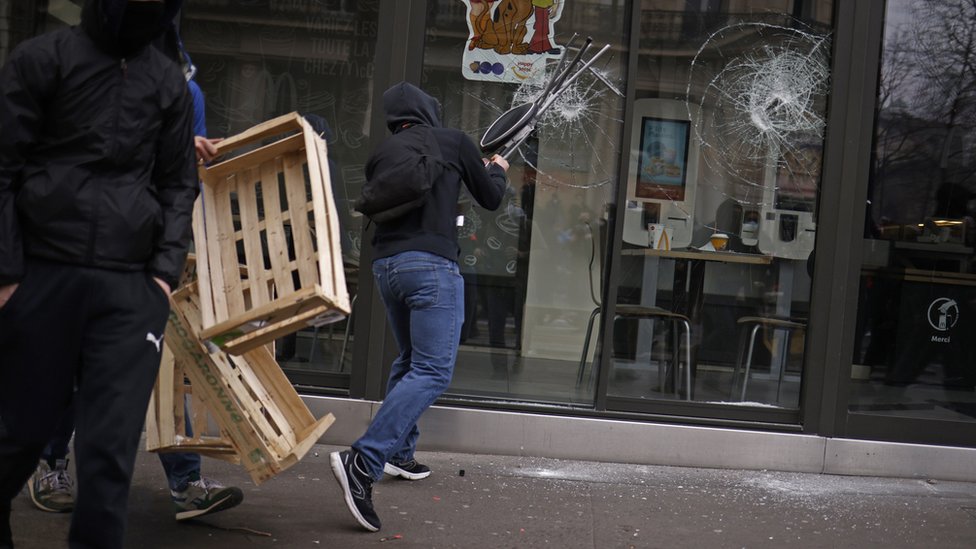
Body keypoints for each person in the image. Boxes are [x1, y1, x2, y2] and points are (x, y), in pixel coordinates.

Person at [22, 27, 242, 523]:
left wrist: (167, 267)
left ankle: (185, 484)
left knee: (159, 367)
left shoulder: (187, 91)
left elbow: (183, 186)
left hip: (144, 262)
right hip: (84, 252)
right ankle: (51, 462)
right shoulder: (79, 76)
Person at [0, 0, 198, 547]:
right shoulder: (42, 59)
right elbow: (3, 167)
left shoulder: (167, 83)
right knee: (16, 437)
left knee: (109, 453)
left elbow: (179, 184)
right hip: (42, 276)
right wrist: (7, 276)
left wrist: (161, 275)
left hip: (130, 289)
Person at [330, 81, 509, 532]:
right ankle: (364, 460)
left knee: (411, 359)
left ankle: (400, 454)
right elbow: (490, 197)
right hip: (431, 268)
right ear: (430, 109)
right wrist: (499, 169)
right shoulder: (452, 141)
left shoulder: (383, 153)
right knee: (433, 370)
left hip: (387, 269)